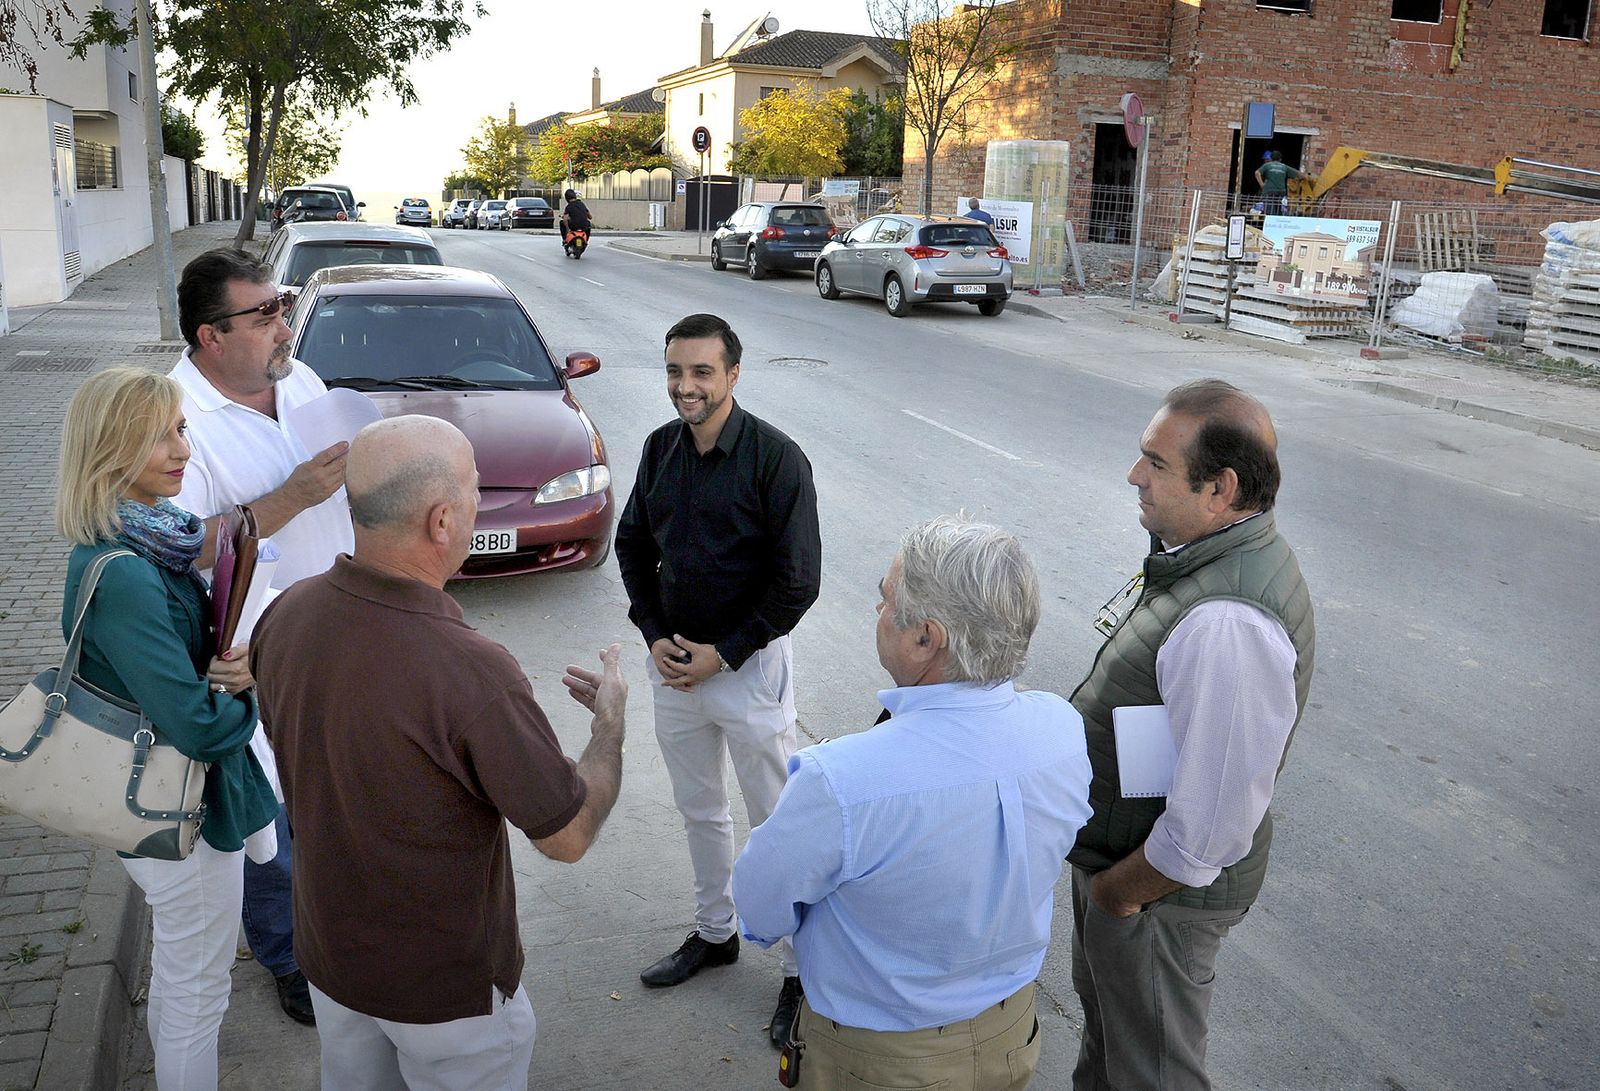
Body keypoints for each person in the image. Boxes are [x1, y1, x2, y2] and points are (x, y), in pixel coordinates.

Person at [250, 415, 628, 1090]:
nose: (481, 500)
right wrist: (609, 727)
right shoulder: (471, 671)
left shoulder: (285, 616)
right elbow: (568, 835)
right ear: (443, 521)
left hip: (332, 963)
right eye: (476, 488)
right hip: (447, 998)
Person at [733, 517, 1093, 1088]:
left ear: (925, 638)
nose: (877, 611)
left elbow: (759, 908)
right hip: (1011, 1033)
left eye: (885, 599)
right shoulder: (1062, 729)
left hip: (879, 1058)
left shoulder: (840, 781)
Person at [1068, 379, 1315, 1091]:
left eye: (1156, 463)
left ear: (1220, 489)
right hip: (1134, 877)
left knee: (1153, 1073)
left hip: (1155, 896)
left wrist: (1118, 895)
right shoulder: (1209, 560)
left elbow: (1210, 827)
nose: (1134, 475)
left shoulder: (1229, 619)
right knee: (1114, 1054)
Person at [55, 368, 278, 1091]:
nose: (183, 448)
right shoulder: (126, 570)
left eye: (181, 428)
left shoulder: (156, 539)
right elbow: (197, 726)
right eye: (158, 435)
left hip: (170, 800)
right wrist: (248, 692)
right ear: (110, 448)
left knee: (186, 980)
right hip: (175, 811)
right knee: (197, 993)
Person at [615, 312, 822, 1048]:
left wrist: (724, 654)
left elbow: (798, 582)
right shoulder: (660, 449)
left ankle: (802, 971)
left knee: (776, 818)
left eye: (701, 372)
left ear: (733, 374)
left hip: (748, 669)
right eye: (675, 371)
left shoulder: (776, 460)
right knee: (699, 809)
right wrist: (654, 636)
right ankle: (715, 932)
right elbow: (632, 544)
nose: (686, 386)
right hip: (673, 668)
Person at [171, 246, 354, 1026]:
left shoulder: (298, 378)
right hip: (250, 660)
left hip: (335, 634)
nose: (285, 327)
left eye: (284, 306)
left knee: (331, 798)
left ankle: (335, 928)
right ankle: (286, 956)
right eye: (266, 314)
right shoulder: (175, 415)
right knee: (269, 823)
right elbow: (183, 544)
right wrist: (292, 496)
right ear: (211, 336)